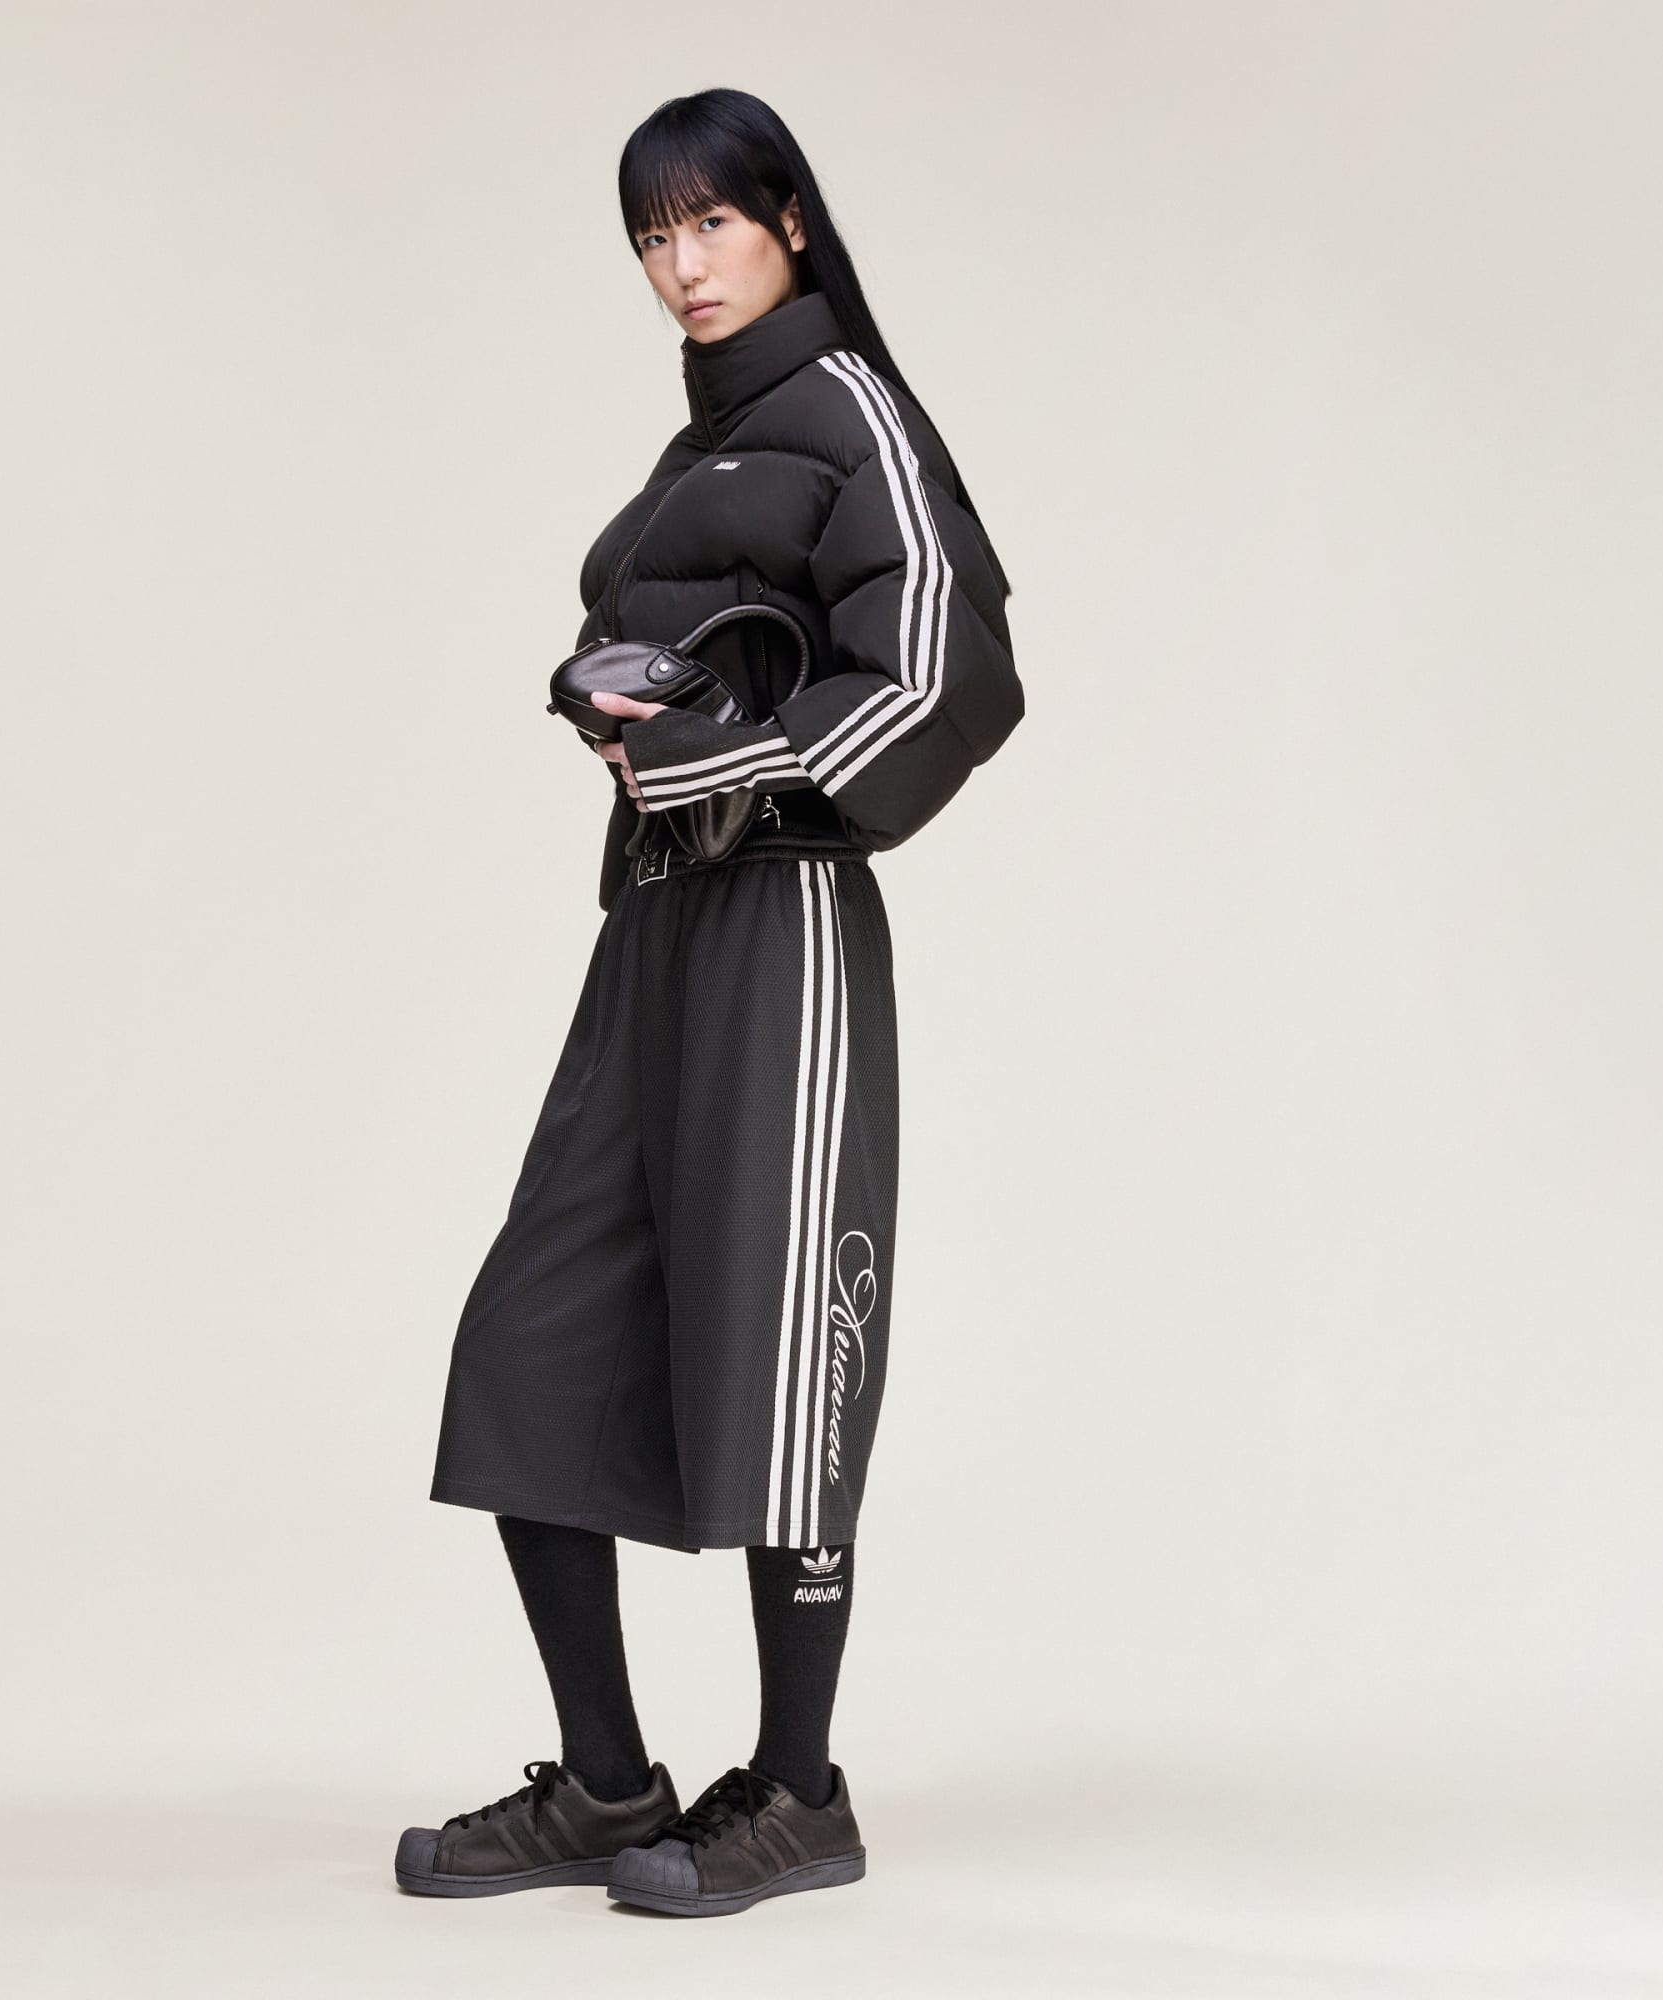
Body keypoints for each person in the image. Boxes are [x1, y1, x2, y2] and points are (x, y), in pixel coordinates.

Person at [396, 86, 1023, 1918]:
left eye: (711, 223)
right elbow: (723, 669)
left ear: (790, 223)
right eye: (651, 237)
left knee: (779, 1339)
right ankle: (609, 1783)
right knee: (530, 1341)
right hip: (655, 928)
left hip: (786, 929)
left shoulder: (856, 415)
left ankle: (800, 1791)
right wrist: (624, 710)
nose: (682, 264)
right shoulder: (706, 447)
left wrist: (713, 754)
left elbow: (950, 677)